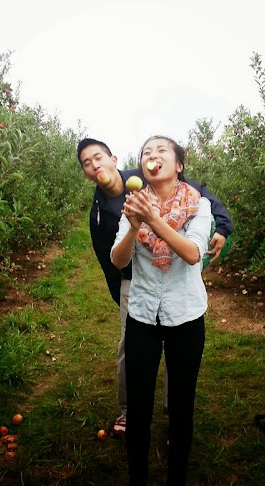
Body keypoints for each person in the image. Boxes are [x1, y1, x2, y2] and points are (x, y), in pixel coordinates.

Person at [77, 137, 233, 439]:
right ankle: (130, 411)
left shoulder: (149, 179)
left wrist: (223, 226)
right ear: (85, 173)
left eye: (98, 157)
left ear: (113, 159)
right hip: (134, 284)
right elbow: (109, 258)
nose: (95, 165)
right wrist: (118, 290)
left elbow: (201, 198)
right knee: (132, 351)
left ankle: (173, 414)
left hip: (177, 286)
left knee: (178, 358)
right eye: (87, 163)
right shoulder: (101, 211)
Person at [110, 135, 211, 486]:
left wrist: (154, 221)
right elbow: (118, 260)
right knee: (138, 409)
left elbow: (193, 253)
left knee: (182, 408)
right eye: (146, 154)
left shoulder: (198, 205)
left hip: (185, 315)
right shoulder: (133, 204)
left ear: (178, 164)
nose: (152, 157)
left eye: (161, 152)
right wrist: (135, 226)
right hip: (142, 315)